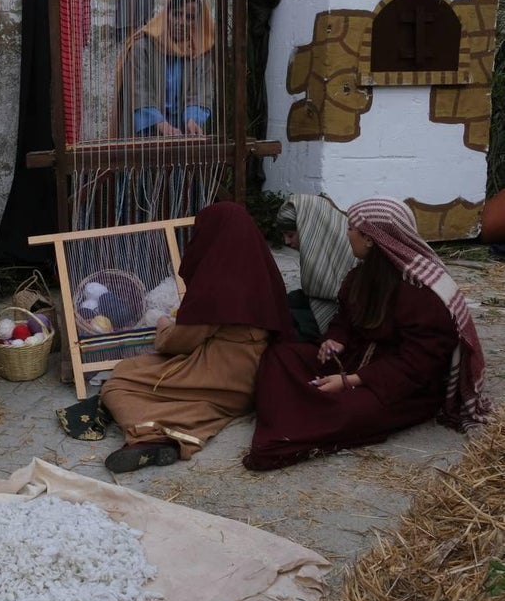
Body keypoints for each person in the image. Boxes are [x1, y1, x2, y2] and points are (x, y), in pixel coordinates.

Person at [245, 197, 491, 470]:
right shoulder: (363, 274)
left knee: (346, 412)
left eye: (351, 228)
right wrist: (336, 339)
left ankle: (291, 418)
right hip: (354, 360)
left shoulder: (423, 291)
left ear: (371, 238)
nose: (347, 234)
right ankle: (302, 409)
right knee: (282, 355)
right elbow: (345, 318)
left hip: (401, 388)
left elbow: (419, 365)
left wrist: (351, 381)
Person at [97, 202, 292, 473]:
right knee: (200, 400)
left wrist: (164, 326)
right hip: (250, 383)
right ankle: (181, 436)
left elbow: (181, 342)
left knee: (121, 379)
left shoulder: (216, 283)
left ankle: (151, 435)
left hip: (217, 376)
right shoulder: (263, 272)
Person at [111, 0, 215, 139]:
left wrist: (193, 119)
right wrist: (160, 124)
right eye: (176, 14)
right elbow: (139, 90)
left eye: (190, 17)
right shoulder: (142, 48)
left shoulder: (198, 52)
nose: (182, 22)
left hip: (184, 135)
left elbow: (201, 91)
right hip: (148, 134)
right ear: (166, 15)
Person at [275, 193, 355, 342]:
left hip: (346, 316)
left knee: (287, 319)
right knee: (285, 301)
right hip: (330, 305)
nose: (286, 241)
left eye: (291, 235)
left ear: (306, 230)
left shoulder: (349, 243)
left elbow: (334, 295)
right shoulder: (321, 237)